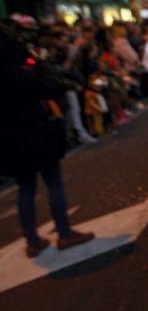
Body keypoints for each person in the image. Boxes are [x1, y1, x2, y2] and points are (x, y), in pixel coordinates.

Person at [0, 23, 94, 257]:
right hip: (36, 131)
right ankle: (64, 233)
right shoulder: (22, 71)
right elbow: (53, 86)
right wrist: (37, 64)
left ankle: (32, 240)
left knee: (25, 188)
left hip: (10, 138)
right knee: (54, 182)